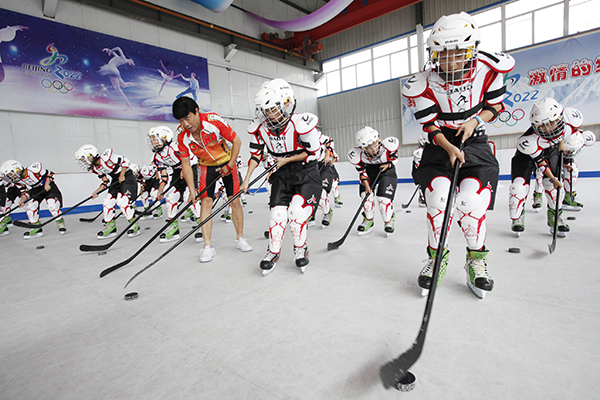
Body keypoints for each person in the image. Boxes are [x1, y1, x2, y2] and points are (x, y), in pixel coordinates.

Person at [402, 11, 515, 299]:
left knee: (471, 203)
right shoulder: (422, 83)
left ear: (472, 49)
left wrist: (474, 121)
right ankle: (436, 259)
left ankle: (476, 262)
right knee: (439, 202)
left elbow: (495, 106)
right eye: (443, 54)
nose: (450, 61)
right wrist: (449, 147)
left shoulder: (490, 68)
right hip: (441, 146)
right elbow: (429, 125)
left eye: (458, 53)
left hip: (475, 143)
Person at [240, 78, 322, 275]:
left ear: (287, 103)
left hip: (306, 172)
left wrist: (286, 160)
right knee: (276, 214)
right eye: (265, 111)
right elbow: (255, 155)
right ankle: (273, 252)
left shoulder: (302, 123)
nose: (269, 115)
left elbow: (314, 154)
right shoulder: (260, 128)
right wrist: (246, 179)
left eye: (273, 109)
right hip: (281, 174)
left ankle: (301, 249)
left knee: (296, 214)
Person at [172, 96, 252, 263]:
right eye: (181, 121)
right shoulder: (181, 136)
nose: (186, 124)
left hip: (226, 161)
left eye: (188, 118)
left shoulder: (213, 121)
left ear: (196, 111)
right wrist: (191, 188)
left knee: (234, 200)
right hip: (205, 167)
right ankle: (207, 246)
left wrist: (230, 165)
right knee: (205, 202)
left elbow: (236, 141)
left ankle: (240, 238)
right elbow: (186, 164)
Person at [508, 99, 584, 237]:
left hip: (551, 150)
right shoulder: (528, 140)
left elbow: (564, 134)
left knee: (554, 189)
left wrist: (562, 144)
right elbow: (541, 163)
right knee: (518, 187)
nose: (548, 129)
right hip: (527, 155)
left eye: (551, 123)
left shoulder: (572, 119)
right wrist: (553, 178)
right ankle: (518, 215)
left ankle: (555, 216)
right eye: (542, 126)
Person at [147, 125, 201, 242]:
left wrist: (184, 169)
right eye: (152, 140)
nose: (153, 143)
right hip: (177, 172)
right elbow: (164, 175)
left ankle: (202, 224)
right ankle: (173, 228)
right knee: (171, 197)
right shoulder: (157, 157)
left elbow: (193, 159)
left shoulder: (175, 148)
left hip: (191, 169)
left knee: (189, 197)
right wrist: (160, 189)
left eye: (155, 139)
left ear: (165, 138)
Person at [75, 144, 140, 239]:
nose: (84, 162)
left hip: (127, 177)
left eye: (84, 159)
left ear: (91, 155)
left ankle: (134, 225)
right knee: (107, 202)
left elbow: (125, 161)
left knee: (123, 202)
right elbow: (105, 181)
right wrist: (96, 192)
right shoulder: (95, 169)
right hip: (116, 180)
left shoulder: (106, 158)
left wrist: (122, 174)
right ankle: (111, 227)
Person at [347, 126, 399, 236]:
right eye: (368, 147)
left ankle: (389, 220)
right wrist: (367, 186)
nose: (373, 149)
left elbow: (395, 159)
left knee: (383, 199)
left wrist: (388, 164)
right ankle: (368, 220)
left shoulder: (389, 145)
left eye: (374, 144)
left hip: (386, 169)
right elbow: (362, 172)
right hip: (370, 171)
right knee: (365, 196)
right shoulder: (358, 155)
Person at [0, 160, 66, 239]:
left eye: (11, 174)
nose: (11, 177)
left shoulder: (33, 169)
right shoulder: (18, 182)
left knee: (52, 205)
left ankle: (60, 222)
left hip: (48, 188)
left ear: (17, 169)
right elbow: (25, 192)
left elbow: (50, 173)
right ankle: (36, 228)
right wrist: (22, 200)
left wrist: (47, 184)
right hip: (35, 190)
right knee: (30, 206)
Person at [562, 129, 596, 211]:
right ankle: (538, 196)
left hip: (565, 158)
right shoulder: (564, 134)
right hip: (552, 156)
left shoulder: (578, 137)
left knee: (573, 169)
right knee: (541, 174)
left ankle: (569, 197)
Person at [0, 168, 22, 236]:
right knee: (5, 205)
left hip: (11, 188)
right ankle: (7, 220)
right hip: (9, 189)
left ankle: (3, 226)